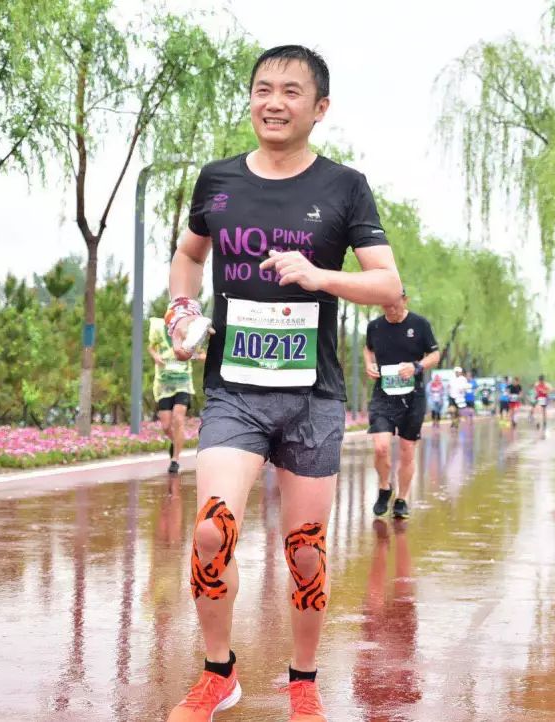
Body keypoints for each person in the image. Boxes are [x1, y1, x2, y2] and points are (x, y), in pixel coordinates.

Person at [163, 45, 402, 722]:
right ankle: (219, 674)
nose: (274, 102)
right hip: (233, 389)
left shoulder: (345, 187)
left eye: (292, 91)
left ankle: (303, 682)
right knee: (211, 534)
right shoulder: (216, 180)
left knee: (305, 554)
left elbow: (389, 284)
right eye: (263, 88)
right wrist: (181, 308)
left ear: (319, 108)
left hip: (312, 397)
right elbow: (189, 254)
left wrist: (319, 275)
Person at [364, 291, 440, 519]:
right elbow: (368, 349)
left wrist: (417, 367)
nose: (391, 311)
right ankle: (384, 487)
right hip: (384, 394)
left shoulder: (420, 324)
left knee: (407, 450)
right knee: (381, 447)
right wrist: (369, 365)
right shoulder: (375, 327)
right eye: (386, 307)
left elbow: (435, 354)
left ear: (405, 300)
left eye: (395, 306)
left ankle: (402, 499)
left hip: (413, 395)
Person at [149, 317, 205, 474]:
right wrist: (155, 356)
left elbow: (202, 354)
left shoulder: (188, 335)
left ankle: (175, 460)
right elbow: (151, 347)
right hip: (163, 384)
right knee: (166, 426)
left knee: (178, 419)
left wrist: (193, 355)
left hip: (183, 383)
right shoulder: (158, 330)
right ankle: (176, 442)